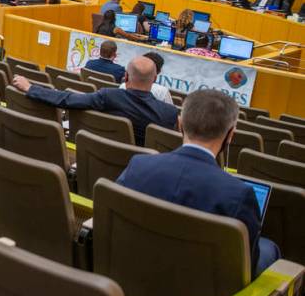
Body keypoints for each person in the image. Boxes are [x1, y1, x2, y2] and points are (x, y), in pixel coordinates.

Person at [116, 89, 279, 277]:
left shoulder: (138, 165)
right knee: (268, 248)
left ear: (179, 124)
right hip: (201, 290)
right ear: (231, 135)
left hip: (135, 271)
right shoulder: (239, 194)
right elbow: (245, 267)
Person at [13, 55, 179, 145]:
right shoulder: (170, 113)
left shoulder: (109, 96)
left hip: (100, 157)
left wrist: (30, 88)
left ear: (126, 76)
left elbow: (67, 99)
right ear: (155, 78)